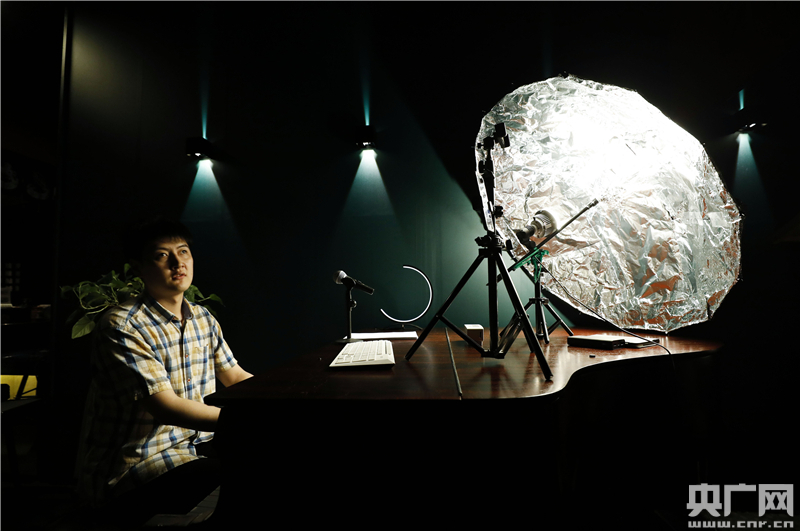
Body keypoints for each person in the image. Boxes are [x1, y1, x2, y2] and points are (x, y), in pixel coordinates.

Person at [75, 216, 252, 527]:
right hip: (137, 468)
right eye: (161, 255)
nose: (177, 262)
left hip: (194, 450)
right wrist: (247, 420)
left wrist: (281, 403)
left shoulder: (202, 318)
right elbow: (165, 406)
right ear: (138, 267)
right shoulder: (122, 325)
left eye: (183, 252)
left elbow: (235, 376)